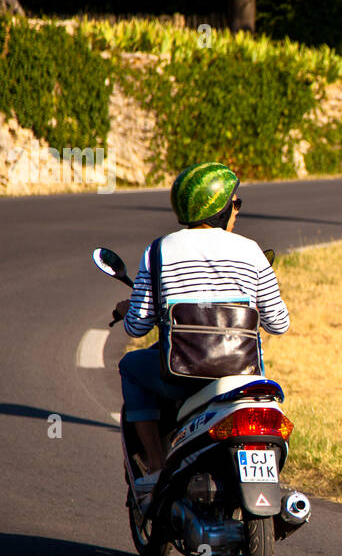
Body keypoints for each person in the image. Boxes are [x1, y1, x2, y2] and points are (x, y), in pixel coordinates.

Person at [113, 162, 289, 488]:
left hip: (181, 379)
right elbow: (278, 323)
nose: (237, 210)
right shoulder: (251, 251)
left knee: (130, 365)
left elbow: (136, 327)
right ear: (220, 209)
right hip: (242, 379)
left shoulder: (159, 250)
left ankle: (155, 466)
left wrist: (135, 310)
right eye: (235, 203)